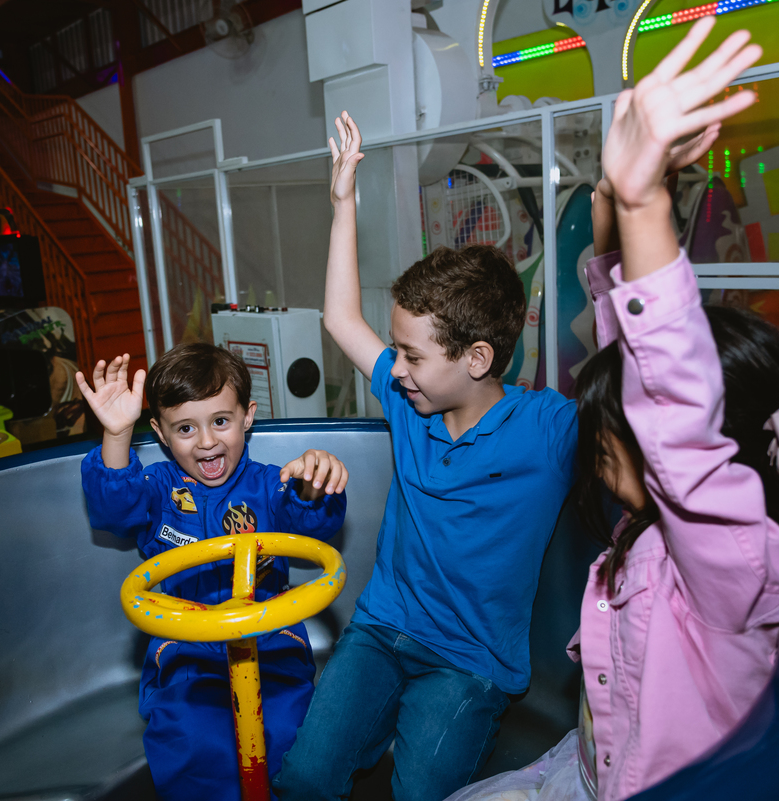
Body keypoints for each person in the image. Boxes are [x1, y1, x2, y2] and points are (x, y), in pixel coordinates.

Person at [445, 18, 779, 801]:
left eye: (637, 417)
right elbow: (637, 358)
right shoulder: (669, 520)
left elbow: (673, 414)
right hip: (593, 765)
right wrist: (618, 203)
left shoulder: (728, 560)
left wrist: (650, 201)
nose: (610, 428)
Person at [272, 112, 580, 801]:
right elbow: (340, 321)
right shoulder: (413, 401)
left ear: (477, 358)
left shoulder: (546, 427)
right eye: (398, 349)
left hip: (468, 665)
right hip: (382, 630)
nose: (398, 367)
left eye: (413, 354)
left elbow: (637, 409)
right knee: (305, 777)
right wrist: (342, 202)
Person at [77, 344, 349, 801]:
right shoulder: (158, 488)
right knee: (190, 741)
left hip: (271, 649)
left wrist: (313, 484)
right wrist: (117, 436)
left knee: (293, 735)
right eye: (185, 428)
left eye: (220, 421)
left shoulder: (271, 483)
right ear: (161, 434)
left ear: (248, 417)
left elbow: (315, 525)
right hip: (188, 655)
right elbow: (114, 512)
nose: (206, 442)